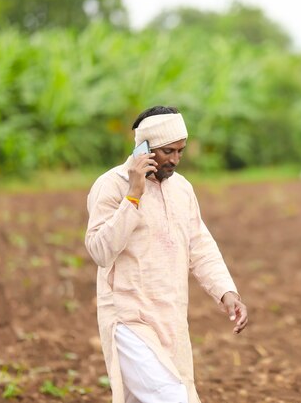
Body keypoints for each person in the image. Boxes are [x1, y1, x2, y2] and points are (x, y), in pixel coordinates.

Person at [85, 106, 248, 403]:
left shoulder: (182, 189)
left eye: (180, 151)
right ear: (143, 149)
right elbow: (99, 251)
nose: (175, 159)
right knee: (172, 397)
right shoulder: (111, 186)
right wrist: (133, 195)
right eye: (167, 151)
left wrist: (226, 292)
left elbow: (199, 245)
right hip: (128, 319)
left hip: (171, 317)